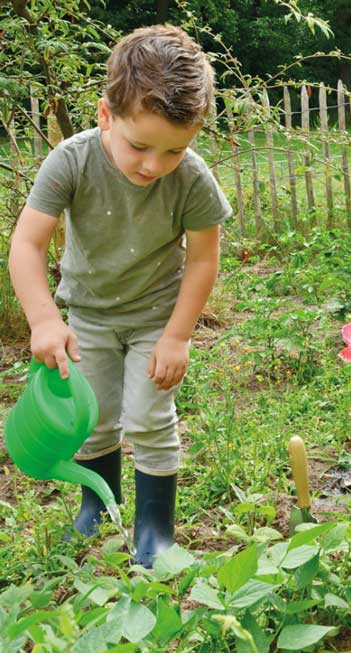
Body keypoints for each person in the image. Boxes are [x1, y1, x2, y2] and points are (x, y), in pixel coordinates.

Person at [9, 25, 232, 566]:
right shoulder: (72, 160)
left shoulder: (193, 180)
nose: (153, 165)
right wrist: (43, 321)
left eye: (174, 150)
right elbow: (27, 243)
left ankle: (156, 529)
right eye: (139, 146)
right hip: (87, 318)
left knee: (150, 417)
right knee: (95, 417)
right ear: (106, 115)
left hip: (158, 317)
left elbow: (203, 259)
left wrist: (178, 337)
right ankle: (94, 510)